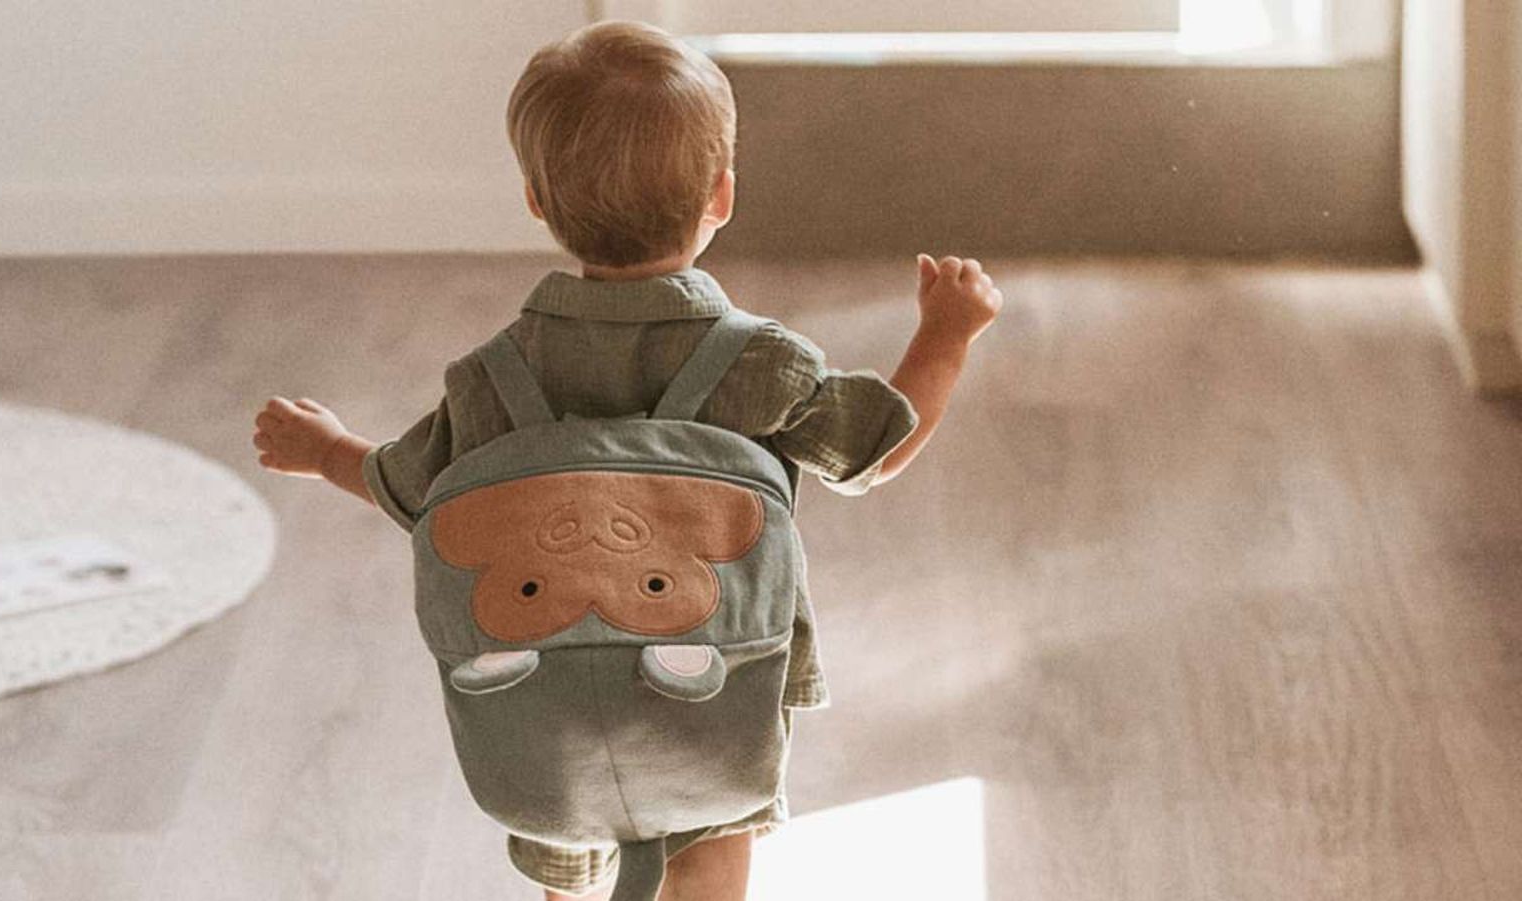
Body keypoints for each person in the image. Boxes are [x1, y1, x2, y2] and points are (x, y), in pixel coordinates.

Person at [252, 19, 1002, 901]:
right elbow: (877, 449)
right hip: (714, 686)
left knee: (568, 850)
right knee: (713, 838)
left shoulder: (495, 376)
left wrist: (326, 449)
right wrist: (945, 335)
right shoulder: (760, 363)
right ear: (721, 195)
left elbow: (413, 489)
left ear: (536, 201)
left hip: (546, 706)